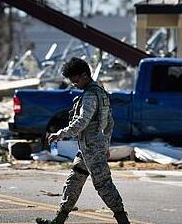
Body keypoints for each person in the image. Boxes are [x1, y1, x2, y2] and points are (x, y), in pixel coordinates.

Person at [36, 57, 130, 224]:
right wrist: (105, 144)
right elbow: (109, 123)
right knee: (74, 181)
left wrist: (60, 133)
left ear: (85, 75)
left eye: (75, 79)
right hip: (89, 147)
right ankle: (58, 220)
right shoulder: (101, 93)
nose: (73, 83)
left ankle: (123, 220)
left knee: (103, 185)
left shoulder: (90, 96)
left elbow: (81, 122)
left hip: (92, 148)